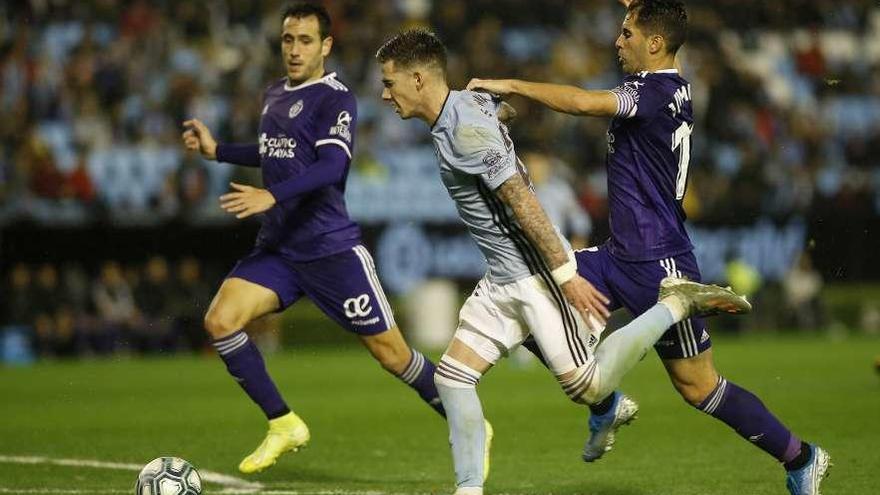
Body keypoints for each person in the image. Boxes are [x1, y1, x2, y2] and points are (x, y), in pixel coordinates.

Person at [466, 1, 830, 494]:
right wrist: (637, 7)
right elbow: (648, 20)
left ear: (654, 43)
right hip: (621, 255)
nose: (618, 41)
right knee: (532, 297)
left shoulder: (654, 90)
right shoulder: (673, 86)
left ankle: (802, 458)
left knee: (699, 388)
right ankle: (605, 404)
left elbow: (581, 104)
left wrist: (510, 85)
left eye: (627, 33)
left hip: (661, 267)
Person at [376, 28, 750, 495]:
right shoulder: (463, 110)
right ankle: (468, 490)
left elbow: (521, 200)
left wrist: (565, 275)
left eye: (389, 83)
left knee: (589, 388)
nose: (384, 94)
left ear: (416, 79)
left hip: (533, 277)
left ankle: (675, 305)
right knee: (452, 380)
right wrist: (500, 110)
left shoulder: (465, 130)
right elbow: (495, 113)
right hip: (500, 280)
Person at [181, 3, 445, 475]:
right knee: (221, 320)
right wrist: (218, 150)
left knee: (394, 356)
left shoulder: (335, 97)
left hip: (330, 248)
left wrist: (270, 196)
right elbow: (272, 152)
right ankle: (283, 423)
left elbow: (331, 167)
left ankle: (467, 422)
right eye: (288, 40)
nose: (295, 49)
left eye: (305, 41)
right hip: (281, 249)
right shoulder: (274, 93)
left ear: (325, 45)